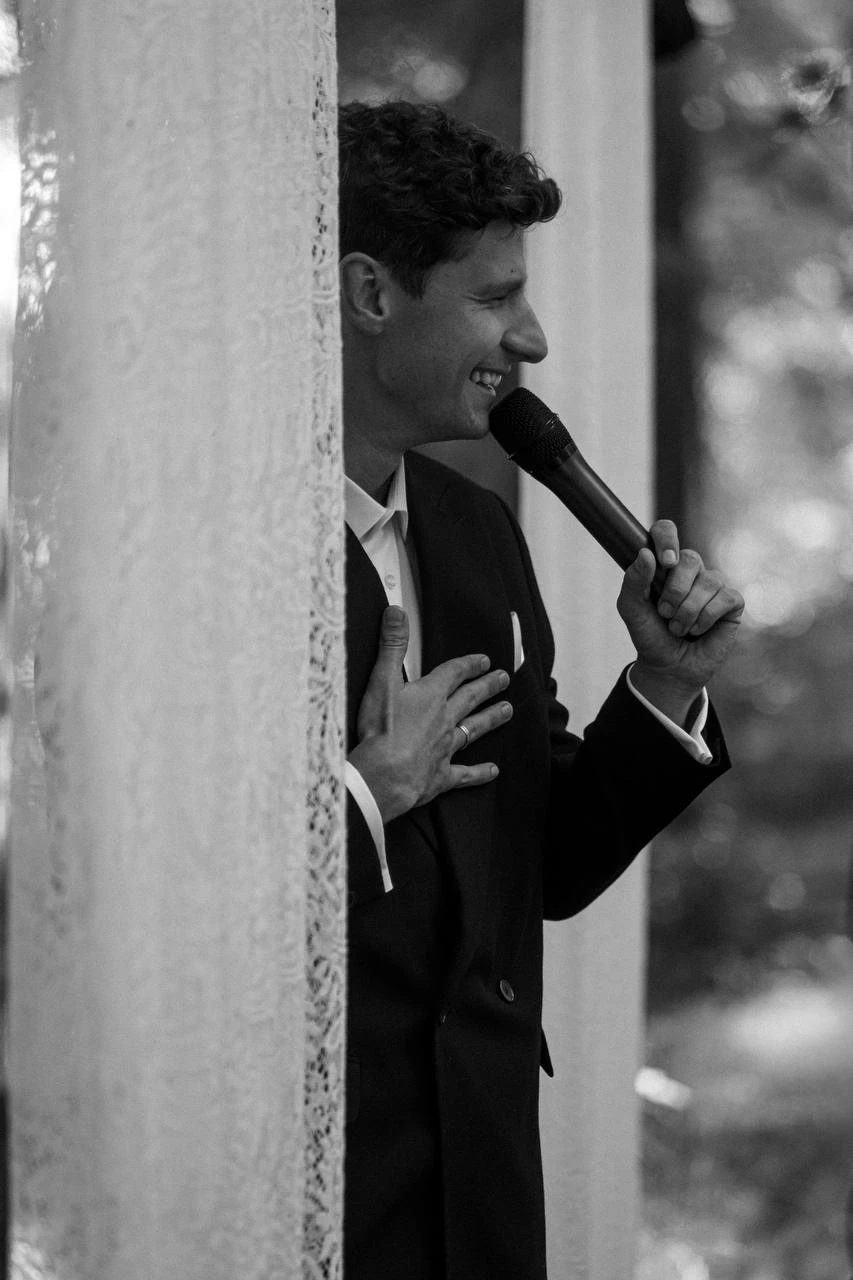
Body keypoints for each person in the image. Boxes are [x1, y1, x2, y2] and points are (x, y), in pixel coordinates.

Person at [339, 99, 742, 1280]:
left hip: (482, 1198)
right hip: (308, 1188)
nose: (533, 341)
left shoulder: (477, 534)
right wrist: (363, 794)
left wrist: (661, 683)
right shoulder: (206, 541)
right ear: (370, 293)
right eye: (495, 296)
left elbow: (544, 862)